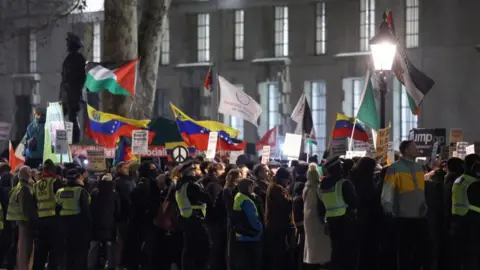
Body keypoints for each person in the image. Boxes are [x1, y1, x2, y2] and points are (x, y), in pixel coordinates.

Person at [381, 140, 430, 270]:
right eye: (414, 147)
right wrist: (389, 210)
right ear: (406, 150)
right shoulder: (395, 168)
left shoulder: (419, 168)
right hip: (402, 217)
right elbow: (388, 190)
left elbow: (421, 190)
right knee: (404, 252)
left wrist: (424, 204)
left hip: (419, 216)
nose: (417, 149)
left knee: (418, 252)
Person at [319, 156, 358, 270]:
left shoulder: (322, 185)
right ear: (338, 167)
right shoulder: (343, 183)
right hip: (346, 221)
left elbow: (321, 206)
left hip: (331, 222)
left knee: (336, 252)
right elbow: (354, 203)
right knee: (349, 255)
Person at [175, 161, 212, 270]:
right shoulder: (191, 185)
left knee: (189, 249)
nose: (198, 171)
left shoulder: (180, 185)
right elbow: (206, 197)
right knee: (203, 248)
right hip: (196, 220)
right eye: (196, 169)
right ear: (190, 172)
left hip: (186, 220)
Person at [449, 154, 480, 270]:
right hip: (472, 224)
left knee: (459, 258)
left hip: (457, 222)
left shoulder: (459, 180)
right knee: (471, 258)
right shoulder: (474, 183)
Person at [56, 169, 91, 270]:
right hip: (78, 225)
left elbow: (57, 209)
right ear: (78, 178)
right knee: (79, 252)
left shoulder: (60, 191)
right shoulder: (81, 191)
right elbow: (86, 211)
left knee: (67, 252)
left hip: (64, 225)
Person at [32, 159, 63, 270]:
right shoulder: (55, 182)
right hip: (53, 219)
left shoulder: (36, 184)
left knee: (41, 250)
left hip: (41, 220)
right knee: (54, 249)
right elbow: (60, 200)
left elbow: (34, 202)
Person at [6, 166, 37, 270]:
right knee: (24, 248)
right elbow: (26, 208)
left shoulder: (18, 186)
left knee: (21, 247)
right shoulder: (24, 188)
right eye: (29, 172)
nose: (31, 174)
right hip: (24, 221)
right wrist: (31, 220)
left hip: (18, 221)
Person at [265, 167, 296, 270]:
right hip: (278, 227)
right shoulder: (277, 188)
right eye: (288, 179)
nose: (288, 182)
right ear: (283, 178)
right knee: (278, 254)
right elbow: (286, 204)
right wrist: (293, 198)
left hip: (276, 226)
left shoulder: (274, 187)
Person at [88, 173, 121, 270]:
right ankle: (111, 266)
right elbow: (118, 210)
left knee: (93, 247)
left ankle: (91, 266)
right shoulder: (114, 194)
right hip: (110, 225)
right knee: (110, 248)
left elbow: (90, 208)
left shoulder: (94, 192)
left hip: (96, 225)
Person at [303, 163, 330, 270]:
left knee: (312, 246)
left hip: (308, 220)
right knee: (321, 248)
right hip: (318, 221)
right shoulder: (318, 188)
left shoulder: (306, 187)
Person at [60, 32, 86, 144]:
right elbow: (64, 79)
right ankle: (65, 140)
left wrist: (77, 94)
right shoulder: (68, 59)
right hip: (66, 95)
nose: (67, 45)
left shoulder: (80, 60)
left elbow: (82, 78)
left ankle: (74, 141)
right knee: (60, 117)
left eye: (69, 43)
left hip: (74, 95)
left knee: (72, 118)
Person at [231, 178, 263, 270]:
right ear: (247, 187)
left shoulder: (239, 196)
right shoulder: (247, 200)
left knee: (244, 263)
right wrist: (259, 229)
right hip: (251, 235)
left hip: (241, 234)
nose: (253, 188)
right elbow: (252, 218)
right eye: (251, 186)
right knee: (253, 263)